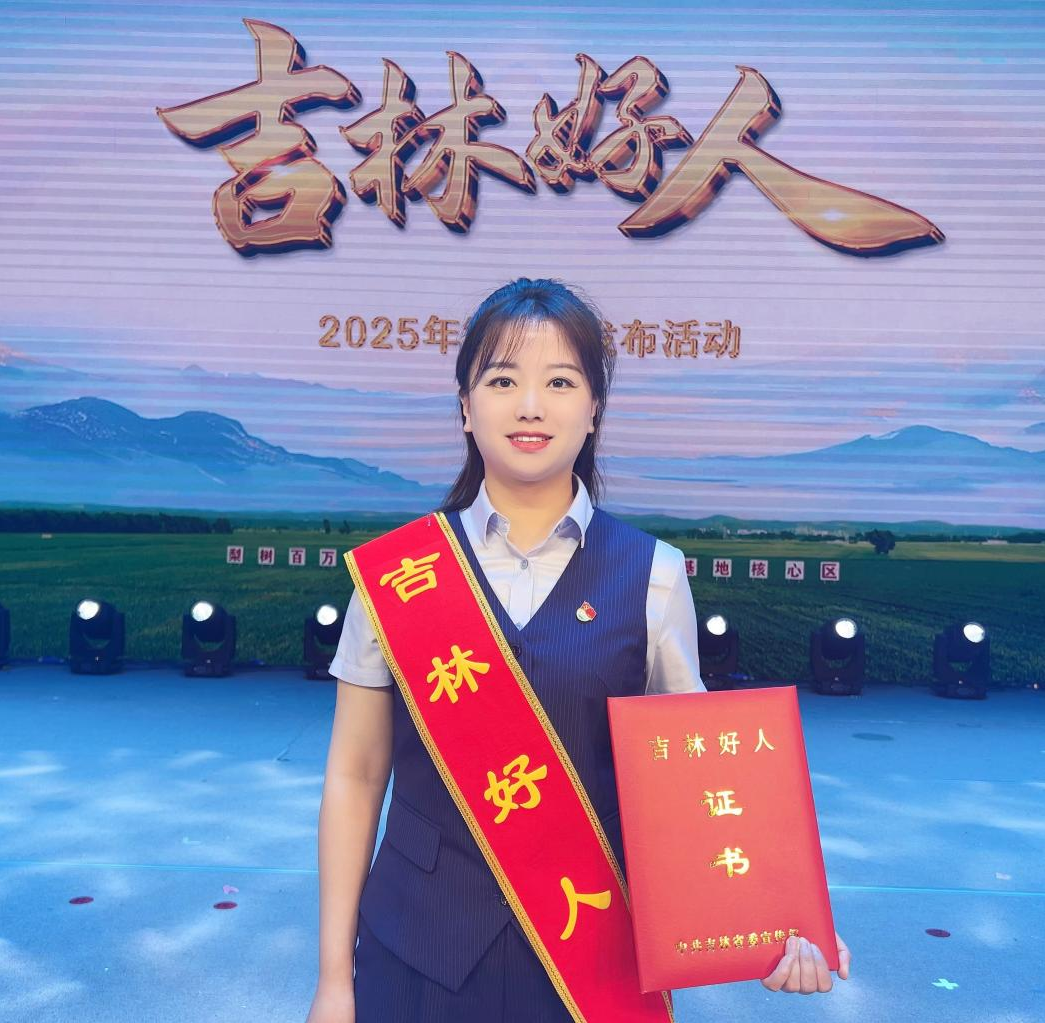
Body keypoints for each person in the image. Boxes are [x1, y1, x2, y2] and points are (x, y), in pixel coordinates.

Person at [305, 279, 850, 1023]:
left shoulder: (653, 574)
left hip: (589, 957)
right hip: (415, 949)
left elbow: (698, 782)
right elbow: (355, 775)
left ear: (593, 409)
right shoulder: (398, 576)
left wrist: (778, 921)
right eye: (503, 381)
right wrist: (334, 979)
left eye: (560, 382)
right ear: (465, 406)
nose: (530, 406)